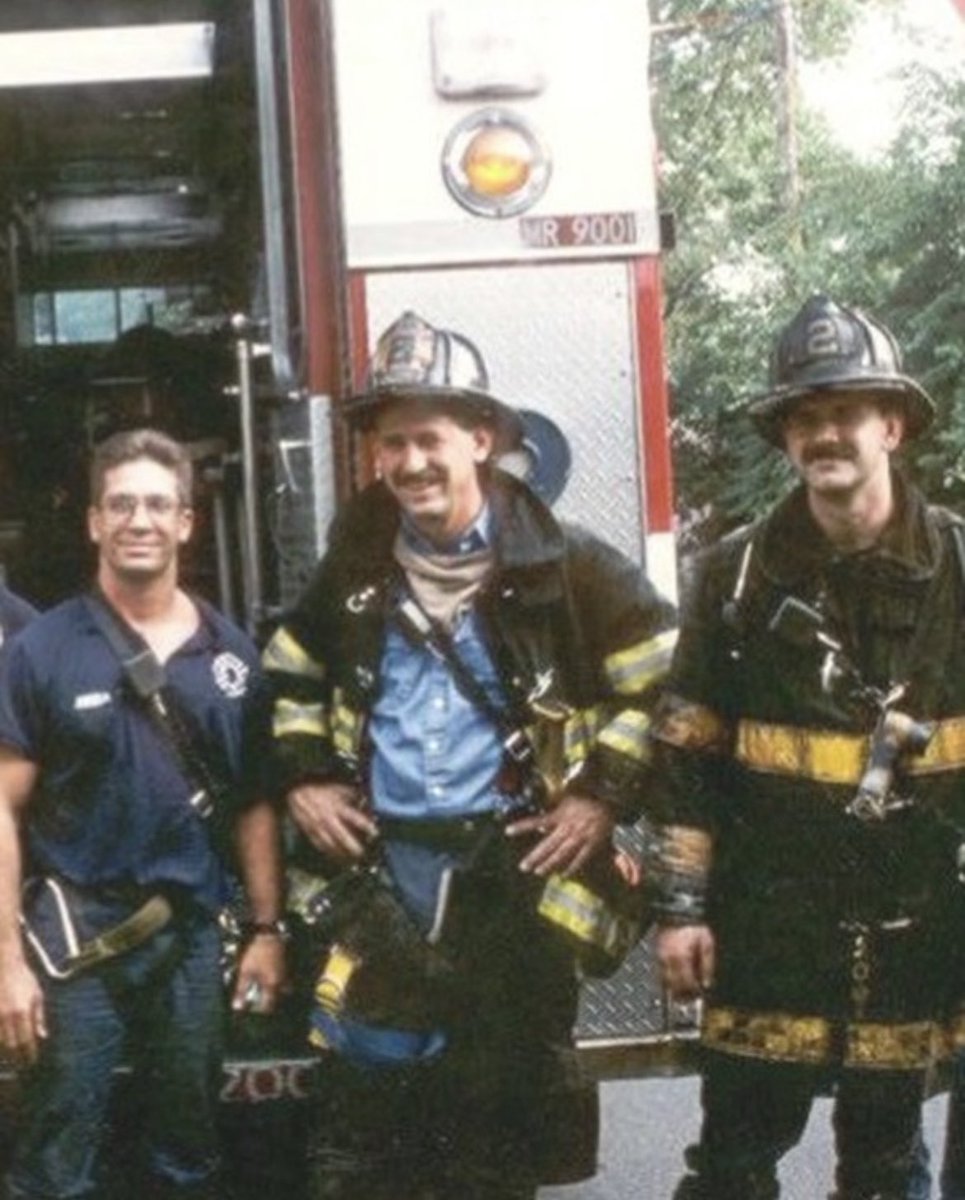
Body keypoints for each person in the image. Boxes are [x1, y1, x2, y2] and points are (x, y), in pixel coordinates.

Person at [262, 310, 676, 1199]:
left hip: (512, 876)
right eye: (390, 442)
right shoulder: (354, 568)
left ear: (481, 438)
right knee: (367, 1135)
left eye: (429, 439)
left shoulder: (566, 565)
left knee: (497, 1141)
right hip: (383, 877)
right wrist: (305, 779)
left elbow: (656, 682)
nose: (408, 462)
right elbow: (288, 672)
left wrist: (600, 796)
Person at [645, 292, 965, 1200]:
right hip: (764, 927)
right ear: (784, 439)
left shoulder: (959, 570)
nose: (823, 434)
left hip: (914, 928)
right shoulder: (733, 579)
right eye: (804, 418)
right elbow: (687, 758)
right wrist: (679, 911)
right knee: (733, 1166)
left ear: (892, 426)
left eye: (844, 413)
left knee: (883, 1166)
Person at [0, 428, 286, 1200]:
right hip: (76, 950)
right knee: (55, 1164)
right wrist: (7, 962)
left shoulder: (231, 658)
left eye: (158, 504)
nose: (140, 520)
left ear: (186, 523)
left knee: (184, 1157)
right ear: (93, 521)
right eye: (121, 503)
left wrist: (265, 933)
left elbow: (255, 803)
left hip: (191, 943)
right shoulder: (40, 651)